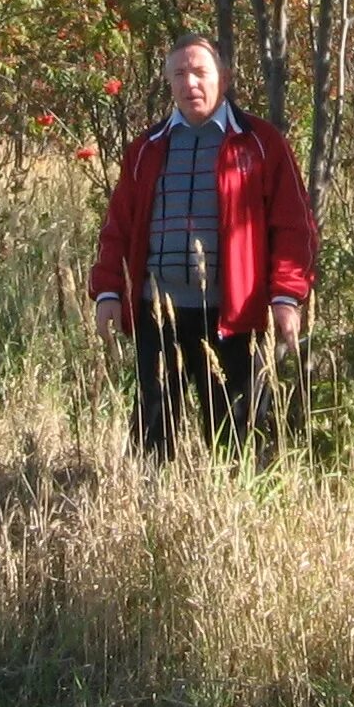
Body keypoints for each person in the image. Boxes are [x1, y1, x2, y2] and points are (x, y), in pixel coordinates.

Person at [88, 33, 316, 457]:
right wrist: (107, 292)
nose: (190, 83)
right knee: (153, 436)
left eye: (199, 72)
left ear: (223, 78)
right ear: (169, 83)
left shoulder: (260, 143)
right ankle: (152, 512)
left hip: (234, 315)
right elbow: (117, 226)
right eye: (179, 74)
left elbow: (294, 227)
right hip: (158, 313)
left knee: (235, 436)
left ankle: (232, 514)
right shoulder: (146, 149)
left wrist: (287, 297)